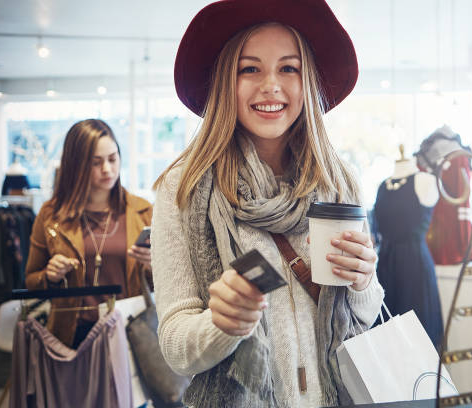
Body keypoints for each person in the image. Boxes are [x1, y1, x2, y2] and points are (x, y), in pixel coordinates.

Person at [151, 0, 384, 406]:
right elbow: (175, 347)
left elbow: (363, 314)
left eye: (288, 68)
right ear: (227, 80)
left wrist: (364, 282)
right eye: (250, 68)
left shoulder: (337, 182)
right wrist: (222, 324)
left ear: (305, 79)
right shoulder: (184, 187)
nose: (271, 85)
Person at [25, 119, 153, 348]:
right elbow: (32, 281)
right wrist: (50, 276)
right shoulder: (51, 215)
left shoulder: (142, 212)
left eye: (113, 159)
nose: (107, 169)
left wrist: (154, 265)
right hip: (71, 336)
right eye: (96, 163)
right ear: (76, 166)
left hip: (128, 332)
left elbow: (170, 282)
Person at [373, 145, 443, 348]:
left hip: (415, 266)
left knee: (418, 334)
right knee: (386, 335)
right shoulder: (382, 186)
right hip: (385, 266)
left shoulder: (426, 181)